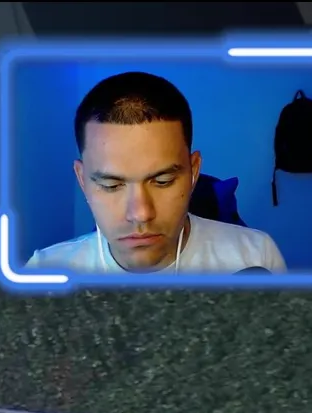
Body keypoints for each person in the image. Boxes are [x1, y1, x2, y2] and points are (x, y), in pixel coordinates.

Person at [27, 71, 287, 274]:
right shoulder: (45, 271)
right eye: (111, 185)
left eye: (163, 181)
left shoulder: (255, 258)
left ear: (194, 172)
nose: (140, 213)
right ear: (83, 180)